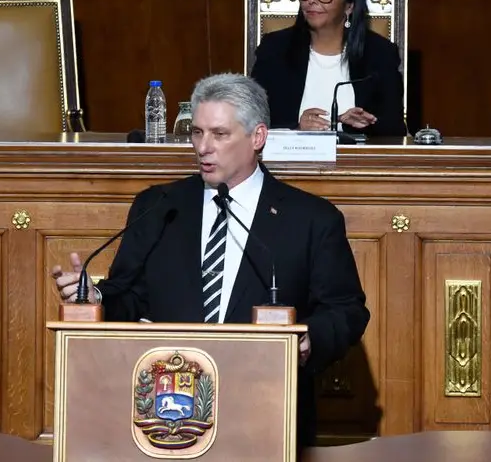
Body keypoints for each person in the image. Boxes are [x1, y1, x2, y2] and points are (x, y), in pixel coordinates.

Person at [51, 73, 369, 449]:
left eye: (219, 134)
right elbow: (131, 296)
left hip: (265, 410)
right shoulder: (157, 207)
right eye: (197, 133)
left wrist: (307, 340)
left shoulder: (311, 219)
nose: (203, 147)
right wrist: (96, 298)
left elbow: (346, 310)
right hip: (166, 411)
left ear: (257, 137)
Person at [251, 0, 407, 137]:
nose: (311, 0)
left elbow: (395, 129)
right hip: (290, 163)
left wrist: (355, 125)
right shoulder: (275, 49)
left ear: (349, 5)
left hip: (357, 163)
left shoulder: (380, 54)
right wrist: (296, 129)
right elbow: (251, 123)